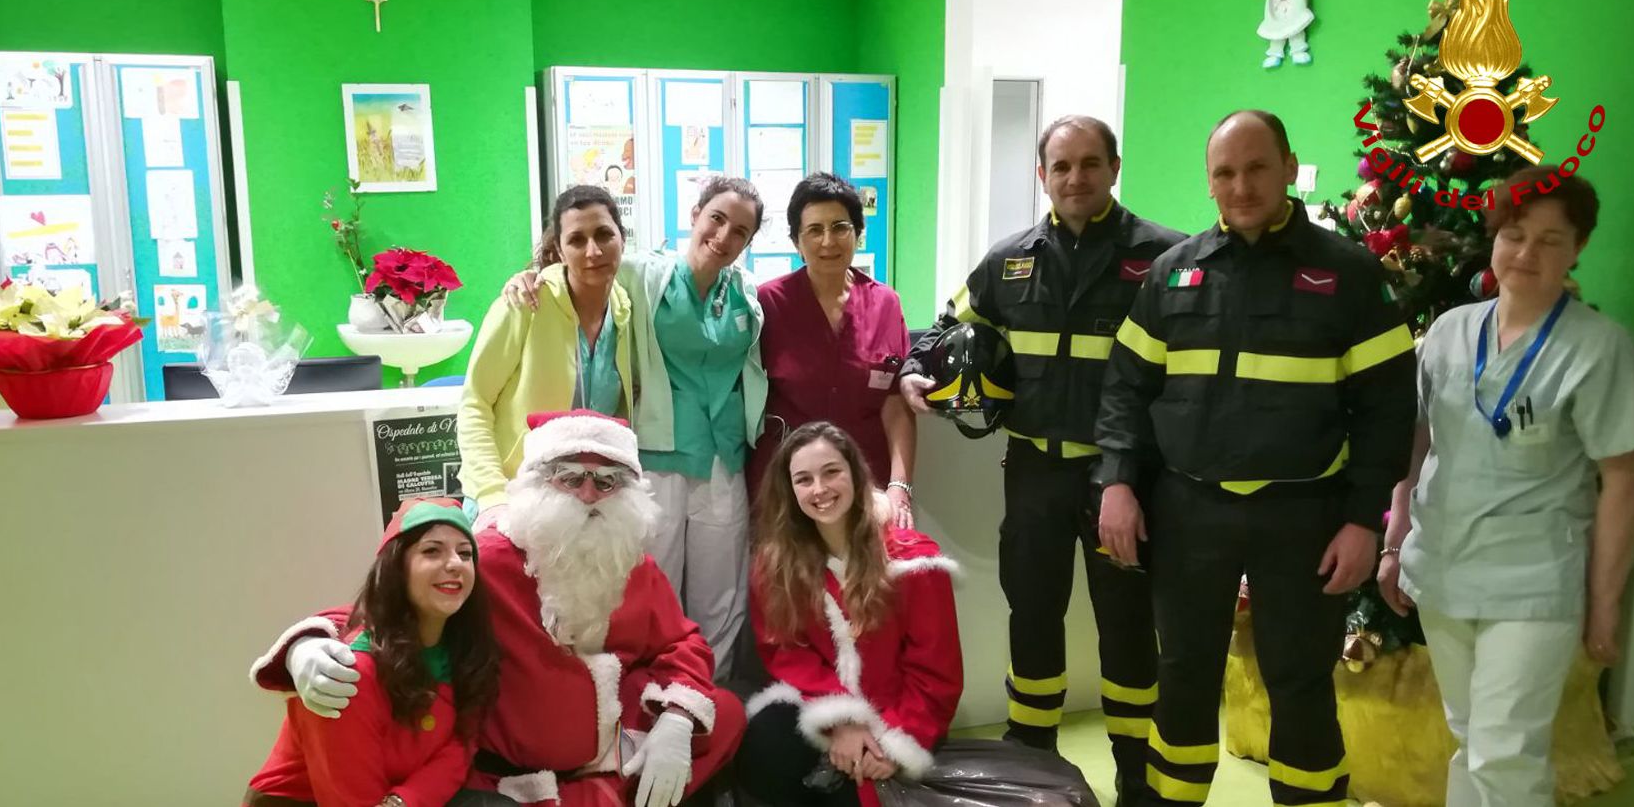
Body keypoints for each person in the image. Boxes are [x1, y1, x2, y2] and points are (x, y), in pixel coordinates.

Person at [1093, 110, 1416, 807]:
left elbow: (1388, 410)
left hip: (1303, 515)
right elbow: (1124, 388)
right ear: (1209, 180)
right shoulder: (1173, 274)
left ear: (1288, 165)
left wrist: (1364, 520)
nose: (1239, 185)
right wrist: (1117, 482)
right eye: (1224, 172)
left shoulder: (1348, 273)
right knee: (1181, 673)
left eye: (1255, 168)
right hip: (1188, 509)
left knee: (1298, 679)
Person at [253, 410, 745, 807]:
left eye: (608, 481)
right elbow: (395, 605)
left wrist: (678, 721)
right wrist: (308, 643)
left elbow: (682, 639)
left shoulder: (630, 561)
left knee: (724, 713)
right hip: (511, 773)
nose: (590, 495)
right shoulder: (485, 556)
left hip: (613, 747)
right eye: (570, 478)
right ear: (535, 483)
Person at [899, 115, 1184, 798]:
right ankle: (1030, 754)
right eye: (1061, 167)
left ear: (1114, 168)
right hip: (1033, 470)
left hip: (1125, 478)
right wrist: (915, 367)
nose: (1075, 178)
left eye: (1089, 164)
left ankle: (1133, 767)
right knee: (1031, 611)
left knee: (1125, 623)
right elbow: (945, 327)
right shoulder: (1009, 259)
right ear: (1042, 176)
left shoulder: (1164, 257)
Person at [1378, 167, 1634, 807]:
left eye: (1550, 240)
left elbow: (1627, 478)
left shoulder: (1598, 348)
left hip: (1532, 582)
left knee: (1506, 753)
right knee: (1469, 733)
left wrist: (1606, 603)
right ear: (1494, 238)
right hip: (1444, 566)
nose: (1527, 253)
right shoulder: (1450, 331)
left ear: (1578, 247)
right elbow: (1416, 441)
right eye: (1514, 234)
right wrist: (1396, 536)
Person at [502, 176, 768, 681]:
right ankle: (646, 692)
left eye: (740, 230)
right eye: (716, 218)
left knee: (722, 595)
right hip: (658, 455)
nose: (723, 235)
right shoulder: (642, 273)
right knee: (650, 584)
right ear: (694, 215)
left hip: (723, 457)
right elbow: (577, 262)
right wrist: (524, 276)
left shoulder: (744, 294)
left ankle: (706, 692)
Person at [739, 422, 962, 807]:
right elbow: (786, 651)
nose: (819, 490)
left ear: (856, 475)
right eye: (803, 479)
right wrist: (841, 721)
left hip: (899, 717)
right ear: (790, 491)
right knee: (762, 744)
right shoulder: (775, 564)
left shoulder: (915, 561)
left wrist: (893, 742)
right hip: (823, 707)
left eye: (831, 472)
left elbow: (936, 672)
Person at [244, 498, 499, 807]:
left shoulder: (465, 652)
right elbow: (350, 798)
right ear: (396, 568)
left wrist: (404, 801)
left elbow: (460, 748)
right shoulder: (348, 672)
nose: (455, 563)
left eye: (465, 553)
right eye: (432, 550)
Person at [458, 185, 635, 530]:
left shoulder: (624, 309)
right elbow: (474, 403)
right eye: (577, 240)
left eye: (603, 235)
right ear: (559, 249)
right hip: (512, 500)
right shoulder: (526, 304)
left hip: (585, 504)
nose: (593, 251)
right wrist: (492, 494)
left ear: (622, 239)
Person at [751, 172, 916, 529]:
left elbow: (895, 405)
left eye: (840, 227)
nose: (828, 241)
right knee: (790, 582)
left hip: (864, 486)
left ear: (858, 233)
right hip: (788, 487)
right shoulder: (767, 303)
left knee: (863, 582)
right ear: (797, 241)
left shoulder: (885, 303)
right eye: (814, 230)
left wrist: (899, 487)